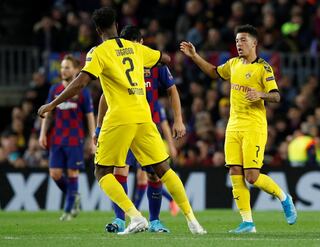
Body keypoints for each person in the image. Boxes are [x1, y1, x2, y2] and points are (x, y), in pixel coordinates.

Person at [38, 7, 206, 235]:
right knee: (163, 168)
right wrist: (151, 58)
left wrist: (51, 104)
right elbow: (165, 58)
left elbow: (80, 83)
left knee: (102, 172)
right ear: (116, 25)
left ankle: (135, 217)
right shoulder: (137, 48)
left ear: (98, 30)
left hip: (119, 117)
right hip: (144, 116)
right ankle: (192, 221)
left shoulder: (99, 52)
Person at [180, 24, 297, 233]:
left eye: (243, 40)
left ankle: (283, 197)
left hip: (254, 126)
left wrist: (261, 95)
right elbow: (215, 73)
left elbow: (277, 96)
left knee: (251, 176)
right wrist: (194, 57)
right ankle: (247, 222)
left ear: (254, 43)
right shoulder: (233, 64)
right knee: (235, 170)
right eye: (236, 41)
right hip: (233, 125)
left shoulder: (264, 68)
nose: (239, 44)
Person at [95, 25, 183, 233]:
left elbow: (172, 90)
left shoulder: (155, 62)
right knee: (120, 170)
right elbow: (104, 97)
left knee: (153, 175)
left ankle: (154, 220)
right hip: (124, 124)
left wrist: (178, 120)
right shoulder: (117, 61)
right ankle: (120, 219)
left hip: (146, 127)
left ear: (141, 44)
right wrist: (98, 128)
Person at [39, 54, 96, 221]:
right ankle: (74, 195)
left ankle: (69, 209)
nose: (63, 70)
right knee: (55, 174)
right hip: (57, 138)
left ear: (76, 70)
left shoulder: (83, 92)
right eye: (62, 67)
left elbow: (89, 115)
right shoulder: (54, 90)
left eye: (67, 67)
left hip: (74, 138)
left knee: (72, 173)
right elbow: (48, 113)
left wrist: (92, 138)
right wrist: (43, 133)